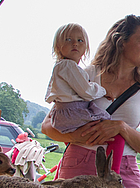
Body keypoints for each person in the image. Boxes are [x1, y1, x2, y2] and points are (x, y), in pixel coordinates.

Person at [42, 14, 140, 188]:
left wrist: (121, 128)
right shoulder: (85, 75)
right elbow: (48, 126)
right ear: (121, 41)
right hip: (79, 161)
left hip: (123, 171)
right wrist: (80, 136)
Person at [45, 23, 125, 173]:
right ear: (58, 46)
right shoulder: (68, 66)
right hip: (74, 112)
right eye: (68, 40)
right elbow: (86, 91)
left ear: (86, 48)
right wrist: (102, 90)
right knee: (116, 135)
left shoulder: (64, 67)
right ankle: (112, 174)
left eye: (80, 40)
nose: (75, 43)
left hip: (67, 111)